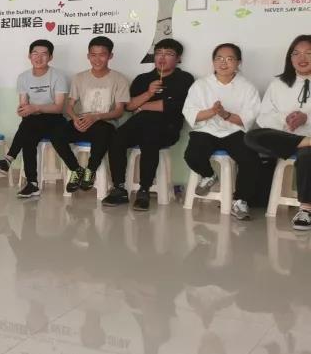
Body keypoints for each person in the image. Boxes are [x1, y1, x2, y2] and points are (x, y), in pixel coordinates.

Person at [102, 38, 195, 211]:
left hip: (168, 128)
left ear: (178, 58)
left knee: (150, 136)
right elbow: (129, 106)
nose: (162, 57)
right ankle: (119, 188)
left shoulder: (184, 78)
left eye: (168, 54)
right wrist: (149, 93)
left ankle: (144, 190)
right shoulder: (143, 79)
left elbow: (174, 106)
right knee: (116, 138)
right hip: (139, 124)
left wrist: (142, 106)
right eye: (159, 53)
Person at [181, 43, 262, 220]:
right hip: (206, 130)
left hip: (233, 131)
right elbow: (190, 112)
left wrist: (226, 115)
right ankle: (209, 175)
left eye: (229, 58)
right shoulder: (201, 85)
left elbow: (249, 117)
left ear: (238, 62)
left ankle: (240, 201)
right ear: (213, 61)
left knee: (251, 159)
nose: (223, 62)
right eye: (219, 58)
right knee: (192, 155)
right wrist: (212, 112)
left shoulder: (247, 87)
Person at [0, 39, 78, 198]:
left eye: (44, 54)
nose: (39, 58)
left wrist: (36, 108)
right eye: (35, 54)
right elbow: (23, 104)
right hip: (33, 120)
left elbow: (59, 107)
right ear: (29, 56)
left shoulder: (58, 76)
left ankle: (10, 159)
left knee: (29, 128)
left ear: (50, 57)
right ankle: (31, 183)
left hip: (54, 119)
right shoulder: (23, 77)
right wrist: (22, 110)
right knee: (28, 133)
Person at [246, 35, 311, 229]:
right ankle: (305, 142)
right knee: (252, 136)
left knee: (307, 155)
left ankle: (306, 209)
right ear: (290, 58)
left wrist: (306, 118)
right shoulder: (278, 84)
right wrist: (286, 119)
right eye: (296, 53)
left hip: (306, 140)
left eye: (309, 53)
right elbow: (263, 117)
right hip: (285, 137)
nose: (302, 58)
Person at [64, 36, 131, 193]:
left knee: (103, 132)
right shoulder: (79, 77)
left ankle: (90, 170)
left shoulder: (119, 79)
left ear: (110, 56)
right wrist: (75, 119)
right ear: (88, 56)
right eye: (93, 55)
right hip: (81, 121)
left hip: (104, 122)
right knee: (57, 133)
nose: (97, 59)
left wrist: (96, 117)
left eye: (102, 55)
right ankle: (76, 169)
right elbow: (69, 106)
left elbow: (119, 111)